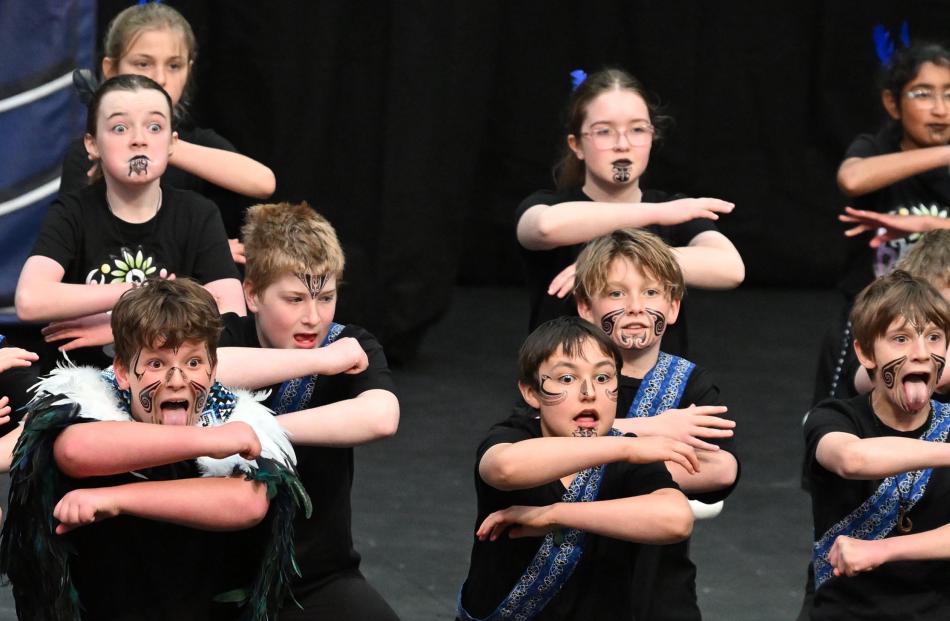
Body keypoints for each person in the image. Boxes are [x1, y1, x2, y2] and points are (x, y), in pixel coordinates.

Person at [0, 278, 309, 620]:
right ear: (121, 372)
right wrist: (214, 440)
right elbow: (75, 451)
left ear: (213, 370)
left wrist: (115, 500)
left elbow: (248, 502)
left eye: (193, 363)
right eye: (157, 364)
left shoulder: (237, 416)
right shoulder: (86, 402)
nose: (176, 380)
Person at [217, 201, 401, 620]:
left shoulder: (351, 342)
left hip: (313, 578)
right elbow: (206, 371)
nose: (313, 318)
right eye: (295, 299)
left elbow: (381, 416)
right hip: (210, 579)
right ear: (252, 294)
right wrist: (317, 361)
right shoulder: (226, 333)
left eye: (326, 297)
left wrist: (260, 430)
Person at [457, 316, 696, 620]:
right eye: (567, 379)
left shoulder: (626, 457)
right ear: (531, 392)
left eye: (603, 378)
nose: (589, 392)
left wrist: (555, 515)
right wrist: (627, 446)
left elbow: (675, 520)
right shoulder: (517, 434)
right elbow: (503, 468)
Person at [15, 74, 244, 370]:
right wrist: (141, 291)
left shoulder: (198, 213)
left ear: (172, 142)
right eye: (120, 128)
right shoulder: (73, 211)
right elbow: (31, 299)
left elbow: (231, 314)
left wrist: (126, 329)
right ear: (92, 144)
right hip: (85, 376)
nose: (139, 139)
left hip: (170, 379)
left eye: (155, 127)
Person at [515, 67, 744, 357]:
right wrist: (653, 215)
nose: (622, 144)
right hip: (567, 393)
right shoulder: (549, 205)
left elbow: (731, 269)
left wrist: (619, 264)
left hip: (658, 397)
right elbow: (544, 228)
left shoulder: (673, 210)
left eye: (637, 129)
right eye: (604, 131)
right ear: (577, 145)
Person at [574, 228, 739, 620]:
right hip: (572, 586)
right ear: (585, 307)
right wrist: (653, 432)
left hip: (657, 588)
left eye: (651, 293)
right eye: (616, 293)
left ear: (674, 307)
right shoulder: (564, 377)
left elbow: (720, 469)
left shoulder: (690, 383)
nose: (634, 307)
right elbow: (533, 454)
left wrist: (591, 460)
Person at [60, 1, 275, 260]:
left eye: (174, 66)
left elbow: (263, 183)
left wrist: (162, 145)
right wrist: (200, 250)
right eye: (143, 64)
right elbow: (81, 246)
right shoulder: (85, 154)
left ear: (189, 70)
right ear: (110, 69)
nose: (160, 78)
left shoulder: (195, 143)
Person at [805, 270, 950, 620]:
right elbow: (852, 459)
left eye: (933, 338)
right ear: (865, 352)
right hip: (844, 612)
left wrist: (883, 551)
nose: (920, 354)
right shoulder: (834, 417)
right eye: (900, 339)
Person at [814, 42, 950, 404]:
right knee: (845, 412)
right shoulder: (876, 146)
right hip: (874, 318)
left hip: (941, 326)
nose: (941, 109)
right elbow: (853, 179)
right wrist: (942, 154)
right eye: (923, 94)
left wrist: (929, 225)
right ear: (893, 103)